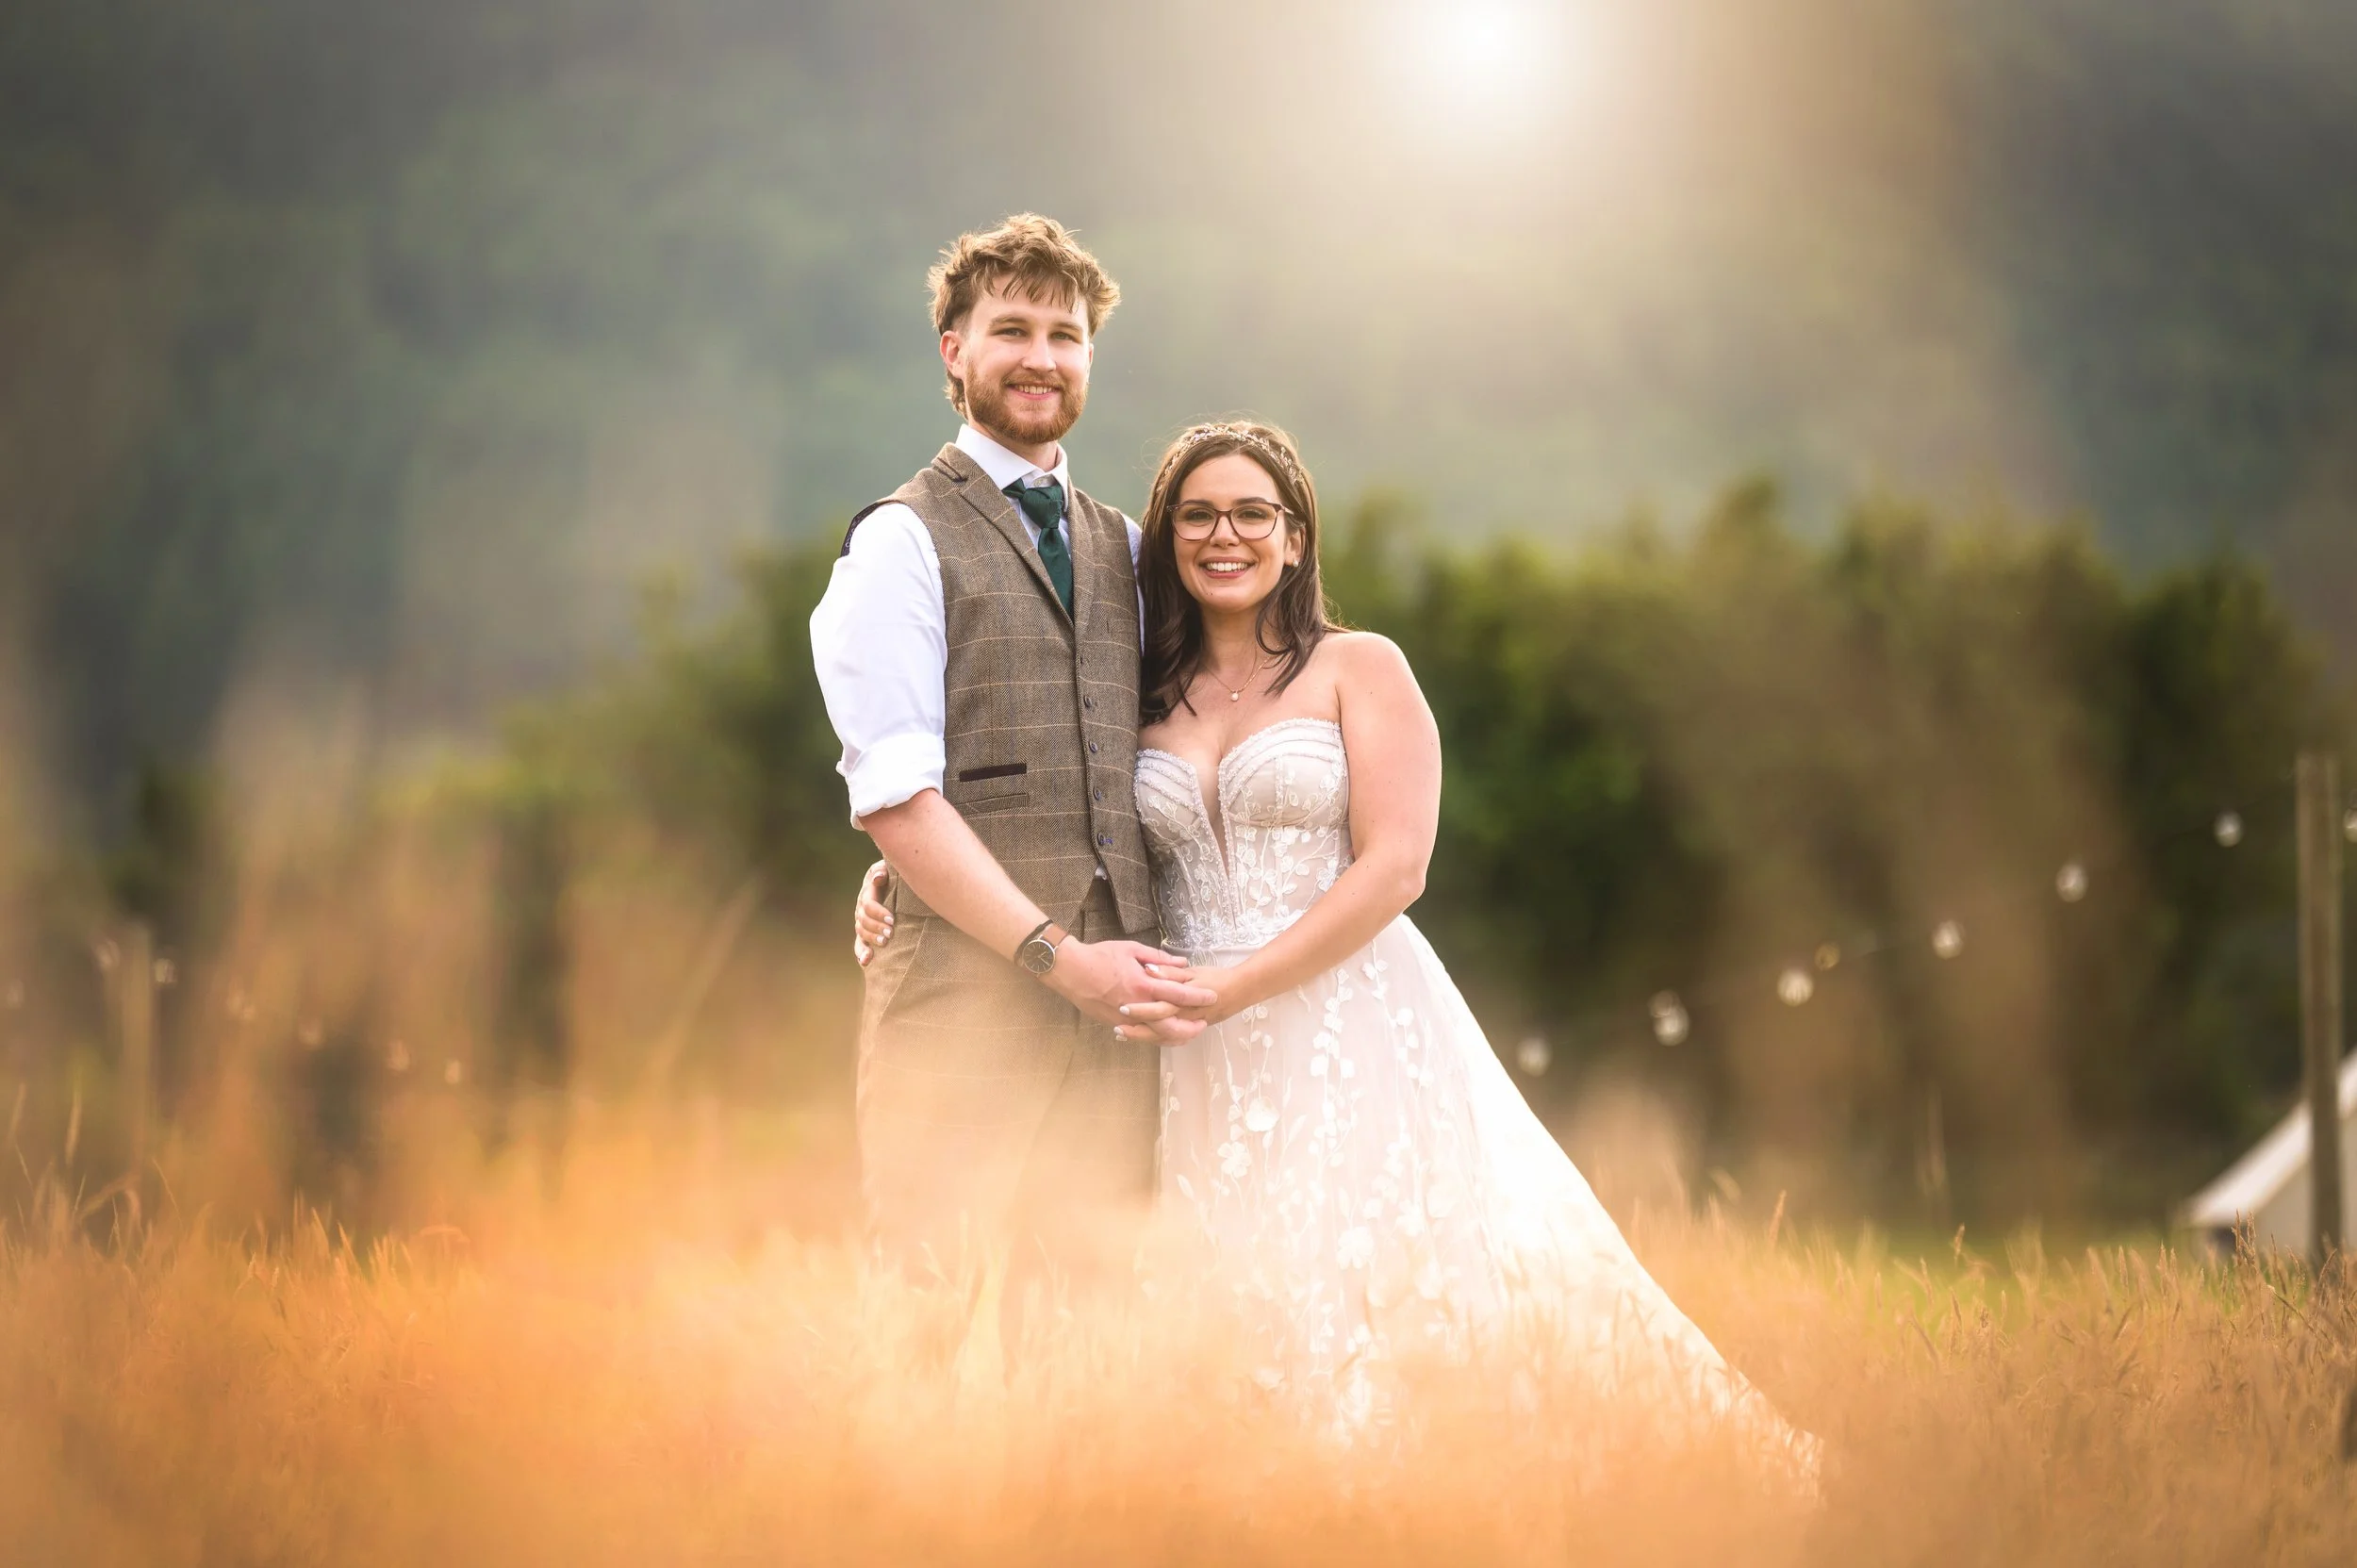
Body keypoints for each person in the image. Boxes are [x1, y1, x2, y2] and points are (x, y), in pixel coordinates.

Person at [856, 419, 1817, 1469]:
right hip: (1190, 1043)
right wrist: (895, 875)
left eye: (1253, 514)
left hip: (1345, 1017)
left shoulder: (1362, 668)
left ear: (1296, 537)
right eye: (1199, 515)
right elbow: (1050, 809)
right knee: (1226, 1290)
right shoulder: (1139, 686)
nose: (1226, 535)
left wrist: (1240, 987)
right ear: (1167, 537)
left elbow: (1396, 868)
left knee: (1379, 1266)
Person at [809, 215, 1214, 1286]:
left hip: (1116, 1024)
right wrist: (1056, 957)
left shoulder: (1125, 544)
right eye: (1012, 329)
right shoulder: (897, 542)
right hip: (955, 1005)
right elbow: (899, 799)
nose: (1042, 356)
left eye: (1066, 334)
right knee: (929, 1325)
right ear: (955, 350)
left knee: (1086, 1347)